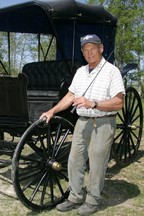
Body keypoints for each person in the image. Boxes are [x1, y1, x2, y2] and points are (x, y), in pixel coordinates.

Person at [40, 34, 125, 215]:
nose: (89, 53)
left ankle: (93, 200)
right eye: (85, 50)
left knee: (96, 163)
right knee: (74, 161)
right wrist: (52, 111)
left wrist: (93, 103)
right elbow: (70, 96)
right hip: (82, 122)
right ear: (82, 52)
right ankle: (75, 197)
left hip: (103, 123)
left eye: (92, 49)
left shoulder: (112, 71)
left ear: (101, 48)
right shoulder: (80, 72)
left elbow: (119, 102)